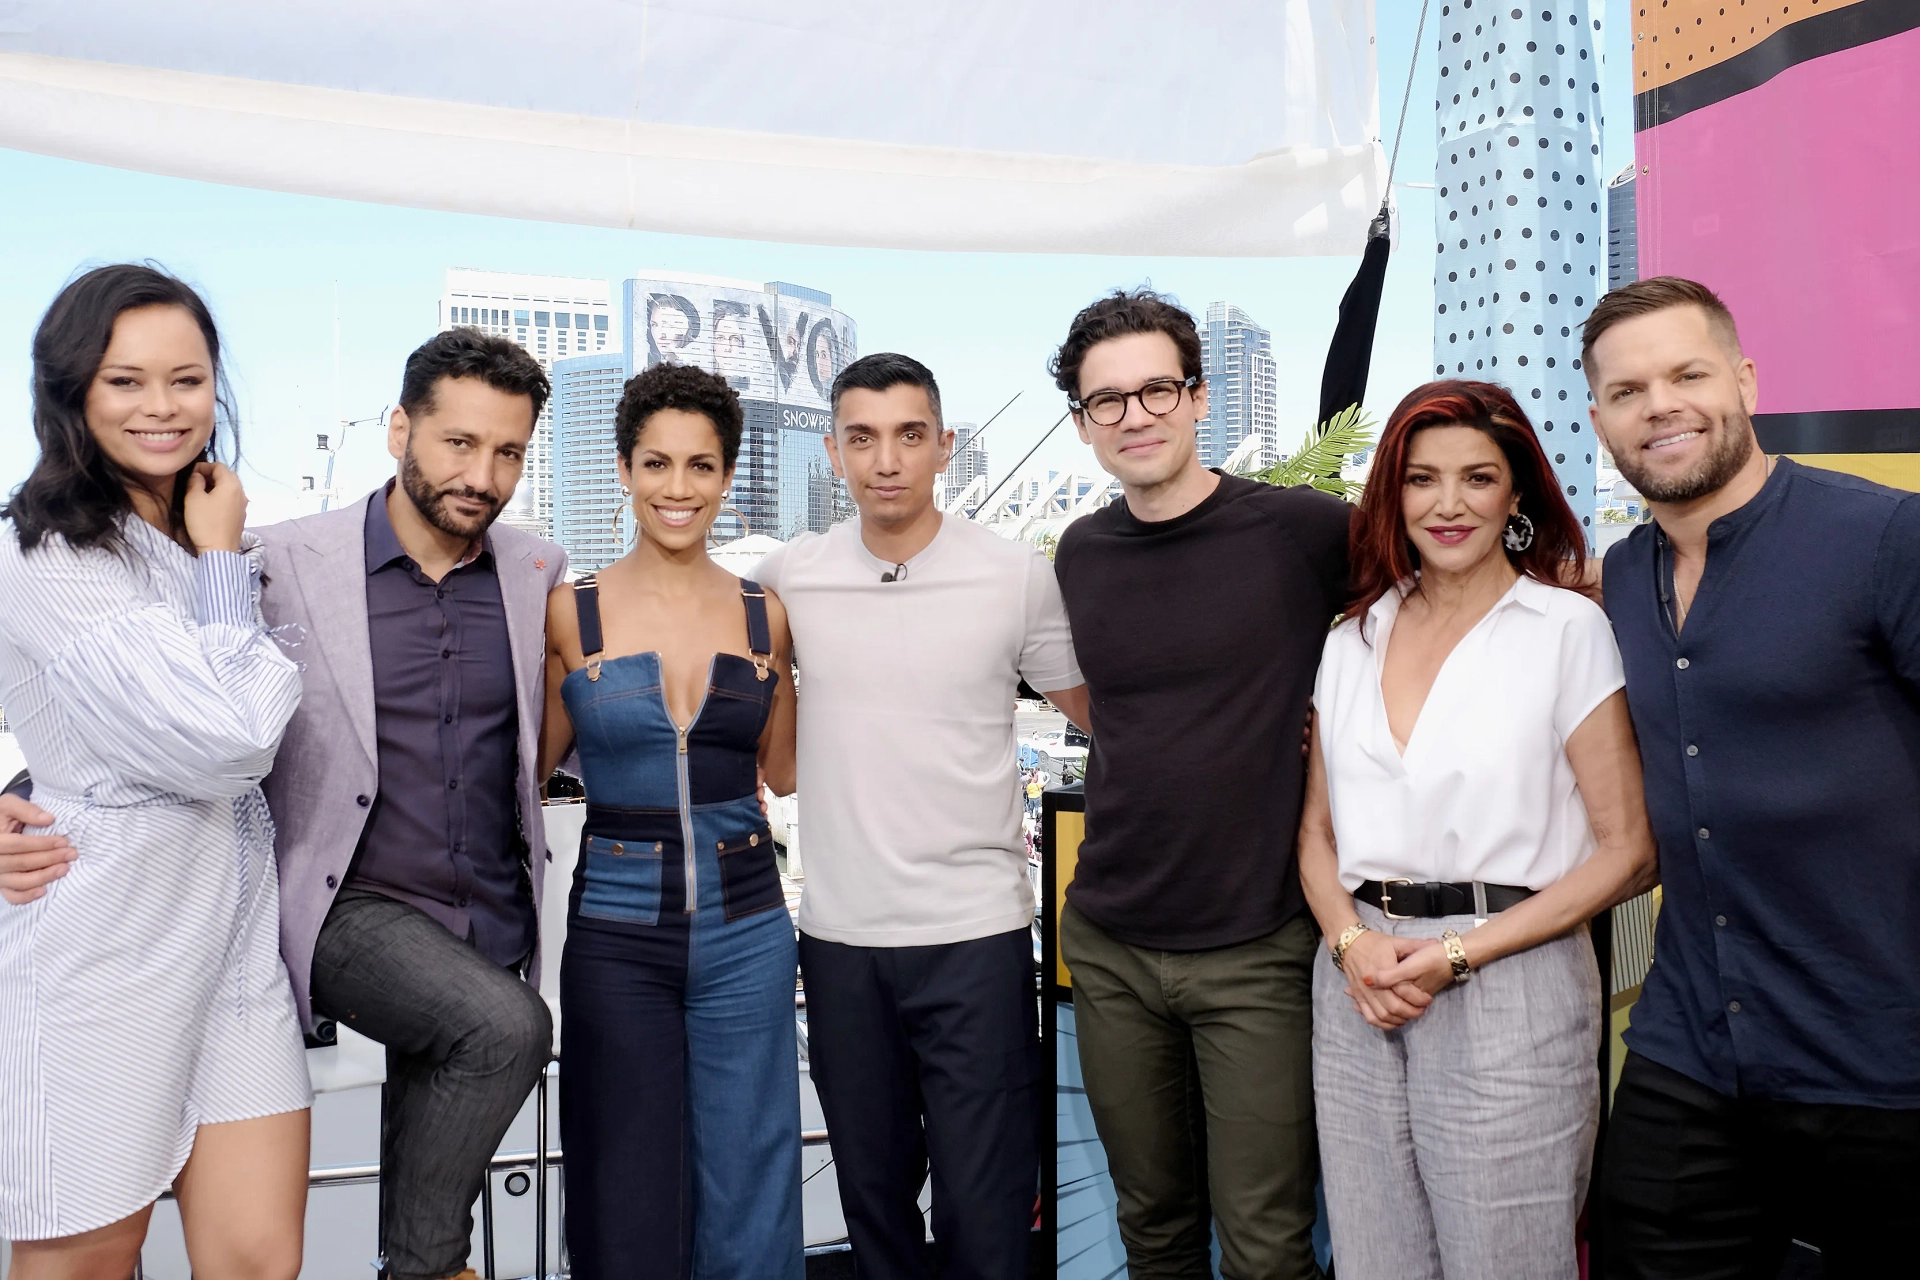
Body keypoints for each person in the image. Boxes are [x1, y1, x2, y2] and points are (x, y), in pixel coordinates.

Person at [1582, 277, 1920, 1278]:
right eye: (1629, 389)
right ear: (1598, 416)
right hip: (1691, 1045)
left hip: (1884, 1060)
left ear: (1744, 378)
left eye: (1688, 373)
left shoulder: (1882, 538)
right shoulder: (1618, 581)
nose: (1662, 405)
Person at [1297, 379, 1658, 1279]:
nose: (1449, 505)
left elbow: (1630, 851)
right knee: (1374, 1262)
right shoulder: (1351, 638)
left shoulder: (1567, 630)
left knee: (1507, 1262)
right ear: (1394, 494)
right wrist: (1349, 943)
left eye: (1478, 478)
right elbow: (1316, 837)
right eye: (1423, 479)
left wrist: (1460, 953)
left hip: (1511, 977)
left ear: (1517, 494)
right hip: (1358, 985)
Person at [0, 264, 309, 1275]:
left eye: (187, 378)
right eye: (124, 380)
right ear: (72, 391)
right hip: (101, 939)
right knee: (84, 1256)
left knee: (259, 1259)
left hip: (232, 938)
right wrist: (225, 568)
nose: (162, 407)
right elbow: (228, 740)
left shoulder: (209, 536)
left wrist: (218, 552)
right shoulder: (44, 553)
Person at [755, 352, 1088, 1279]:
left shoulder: (1016, 573)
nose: (886, 459)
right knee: (874, 1202)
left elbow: (1102, 714)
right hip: (839, 939)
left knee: (988, 1212)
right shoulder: (788, 576)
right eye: (862, 437)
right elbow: (771, 759)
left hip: (975, 937)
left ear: (946, 446)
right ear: (833, 452)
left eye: (909, 435)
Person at [251, 327, 565, 1280]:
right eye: (459, 443)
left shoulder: (534, 570)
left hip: (487, 906)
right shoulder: (279, 559)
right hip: (346, 901)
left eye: (507, 451)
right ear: (400, 430)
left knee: (441, 1110)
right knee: (504, 1028)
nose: (483, 474)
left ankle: (419, 1263)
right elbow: (148, 687)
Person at [1048, 288, 1347, 1280]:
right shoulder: (1082, 552)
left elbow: (1442, 596)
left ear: (1198, 396)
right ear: (1084, 422)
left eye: (1156, 389)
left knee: (1266, 1243)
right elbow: (1110, 708)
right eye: (1107, 401)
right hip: (1112, 938)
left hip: (1257, 943)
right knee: (1155, 1228)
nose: (1135, 415)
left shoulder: (1303, 530)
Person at [539, 362, 803, 1278]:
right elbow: (522, 772)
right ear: (623, 469)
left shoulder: (766, 616)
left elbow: (784, 769)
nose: (678, 489)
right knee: (622, 1171)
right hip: (615, 932)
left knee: (755, 1166)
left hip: (752, 926)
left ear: (727, 476)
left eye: (700, 466)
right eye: (657, 464)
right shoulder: (569, 614)